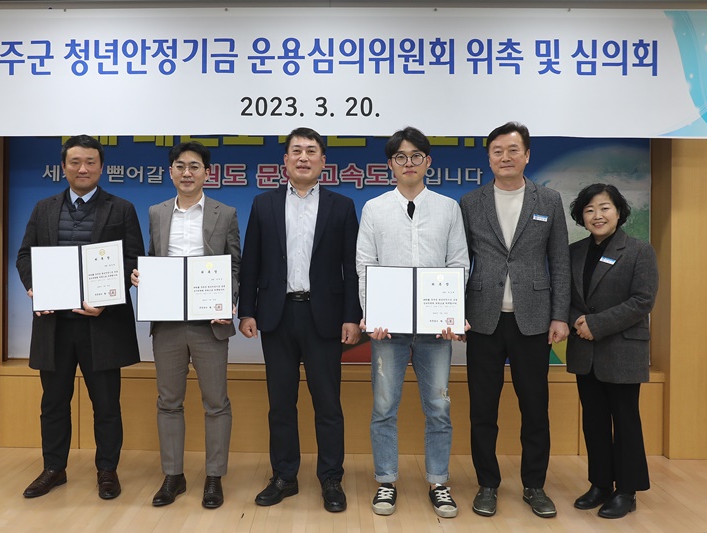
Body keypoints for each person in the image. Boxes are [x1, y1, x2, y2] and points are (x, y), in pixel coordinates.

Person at [238, 127, 362, 513]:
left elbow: (351, 268)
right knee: (281, 403)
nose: (303, 157)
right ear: (285, 161)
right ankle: (284, 476)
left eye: (311, 151)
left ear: (324, 161)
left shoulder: (342, 206)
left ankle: (331, 478)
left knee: (328, 403)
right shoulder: (264, 204)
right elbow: (251, 261)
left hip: (324, 316)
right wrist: (247, 310)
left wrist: (352, 316)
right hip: (276, 315)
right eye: (296, 151)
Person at [16, 135, 144, 500]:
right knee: (53, 402)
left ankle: (107, 470)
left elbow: (133, 259)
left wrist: (108, 298)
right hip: (54, 324)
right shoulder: (43, 208)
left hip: (102, 324)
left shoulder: (121, 209)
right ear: (63, 167)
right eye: (75, 162)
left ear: (101, 167)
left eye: (90, 162)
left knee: (106, 404)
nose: (82, 168)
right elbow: (25, 256)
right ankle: (53, 469)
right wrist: (35, 288)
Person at [356, 127, 469, 518]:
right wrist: (373, 314)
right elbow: (365, 266)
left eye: (416, 156)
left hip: (436, 330)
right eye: (400, 157)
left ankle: (438, 482)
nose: (409, 163)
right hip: (387, 330)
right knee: (384, 408)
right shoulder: (374, 209)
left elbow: (458, 263)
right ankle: (386, 480)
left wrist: (451, 313)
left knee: (438, 408)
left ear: (428, 162)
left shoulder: (448, 208)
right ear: (390, 164)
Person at [459, 122, 570, 518]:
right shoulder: (470, 202)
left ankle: (534, 486)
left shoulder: (548, 200)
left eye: (512, 150)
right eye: (497, 151)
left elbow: (559, 261)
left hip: (534, 319)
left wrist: (560, 315)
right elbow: (459, 261)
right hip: (482, 320)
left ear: (527, 155)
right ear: (488, 158)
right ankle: (487, 484)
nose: (505, 157)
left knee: (535, 407)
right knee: (482, 409)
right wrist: (455, 313)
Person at [130, 142, 240, 508]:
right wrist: (141, 276)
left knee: (216, 403)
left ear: (207, 172)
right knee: (168, 401)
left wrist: (229, 301)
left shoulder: (226, 213)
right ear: (171, 172)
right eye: (180, 166)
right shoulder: (157, 212)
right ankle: (173, 476)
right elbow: (153, 258)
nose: (187, 172)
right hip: (168, 323)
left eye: (194, 166)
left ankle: (214, 477)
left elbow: (234, 265)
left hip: (210, 323)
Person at [567, 184, 658, 519]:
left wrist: (597, 324)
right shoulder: (574, 251)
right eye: (589, 210)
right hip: (585, 350)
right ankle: (600, 484)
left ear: (619, 212)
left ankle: (627, 491)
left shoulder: (639, 251)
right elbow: (564, 296)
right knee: (593, 421)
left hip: (622, 349)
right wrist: (577, 321)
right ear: (581, 216)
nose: (597, 216)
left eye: (604, 208)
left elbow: (643, 300)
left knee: (625, 420)